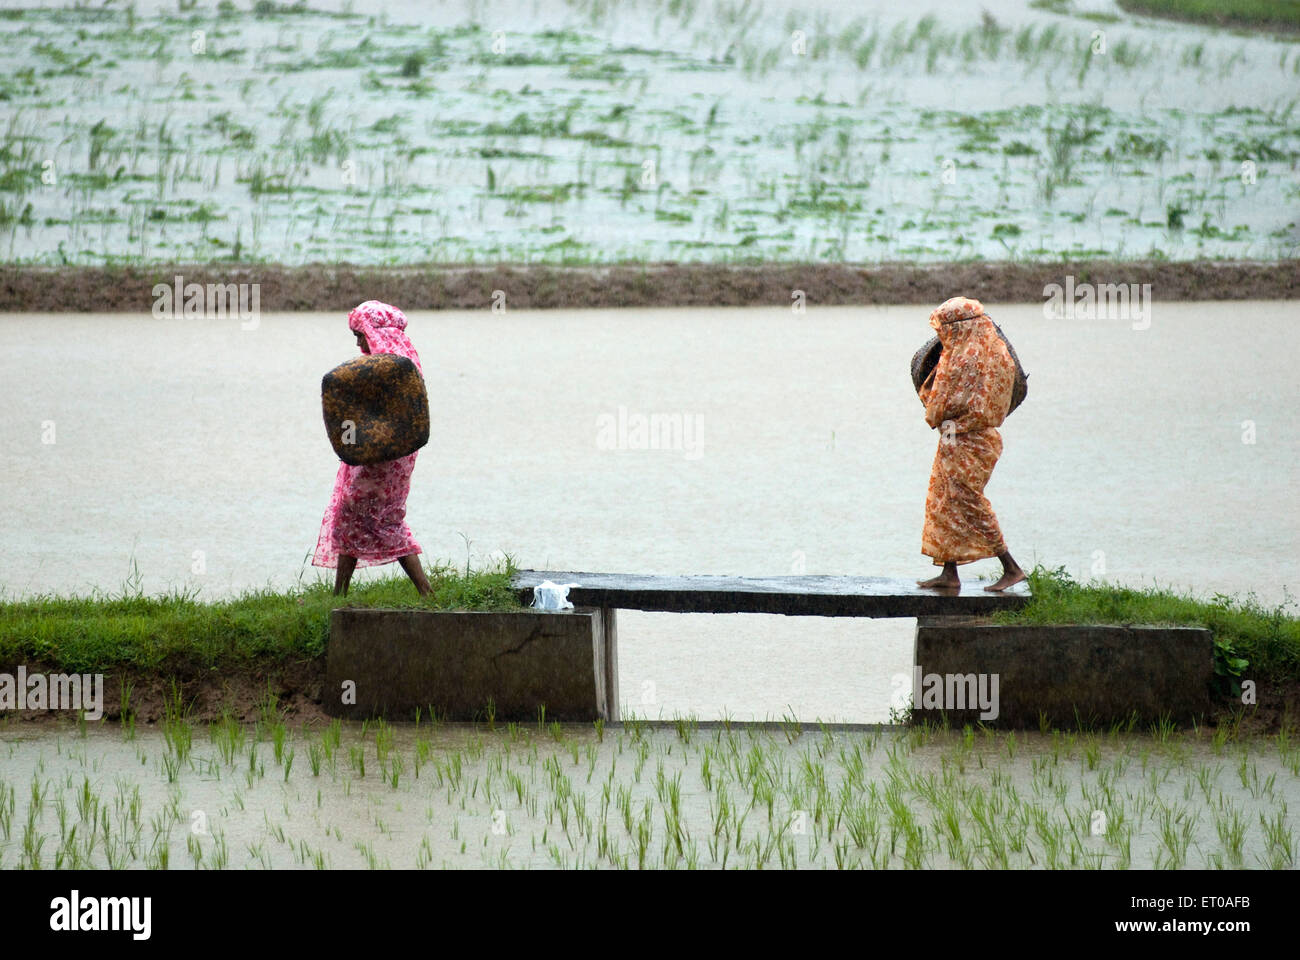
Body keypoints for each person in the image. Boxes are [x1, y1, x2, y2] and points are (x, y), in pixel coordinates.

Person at [312, 300, 432, 597]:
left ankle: (426, 591)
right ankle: (339, 593)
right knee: (352, 513)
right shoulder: (398, 359)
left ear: (373, 331)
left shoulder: (394, 364)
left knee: (381, 517)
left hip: (386, 456)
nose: (357, 341)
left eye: (360, 334)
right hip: (378, 451)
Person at [916, 296, 1025, 592]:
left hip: (963, 439)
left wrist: (932, 409)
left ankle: (1011, 567)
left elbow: (939, 405)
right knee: (946, 501)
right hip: (985, 437)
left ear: (957, 327)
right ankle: (949, 573)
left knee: (968, 501)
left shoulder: (961, 358)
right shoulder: (999, 353)